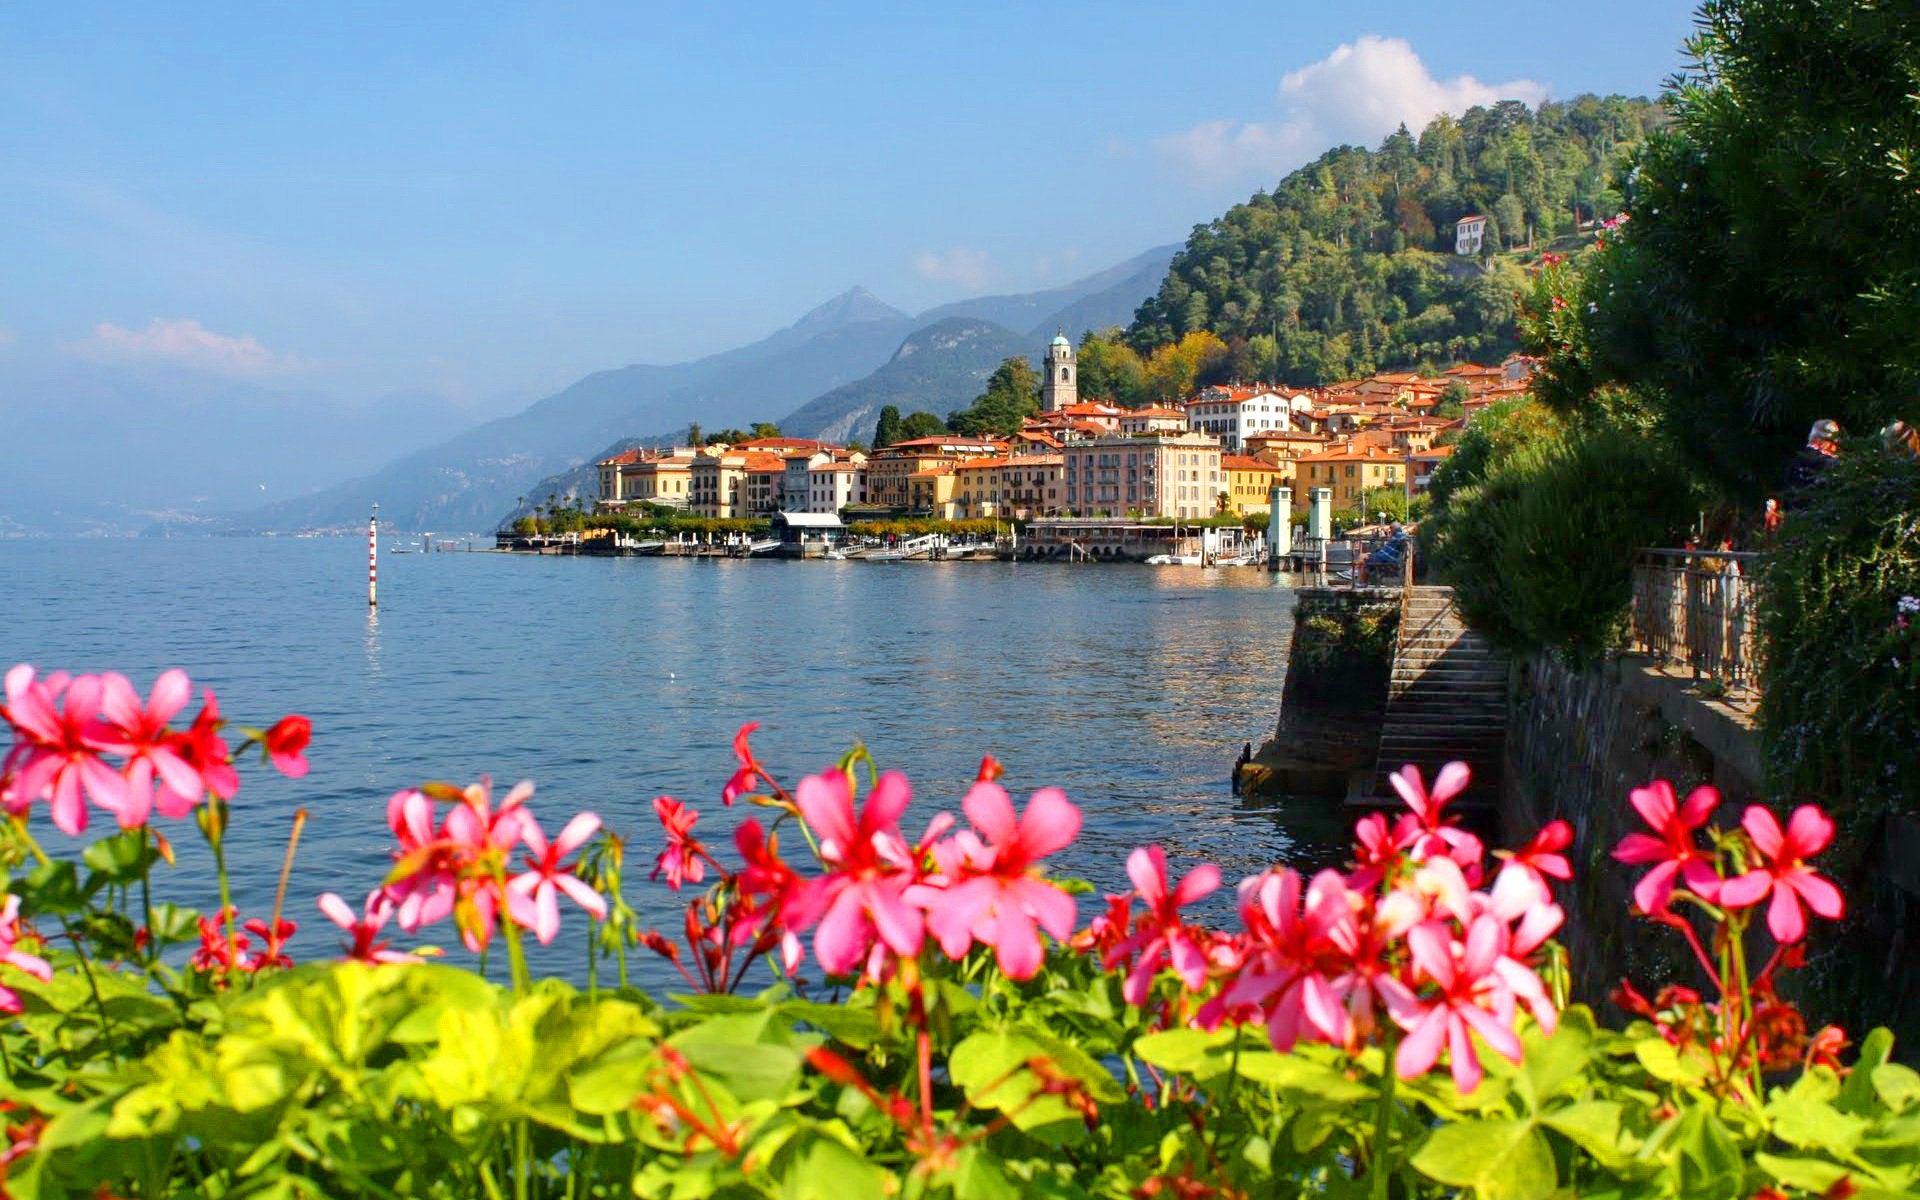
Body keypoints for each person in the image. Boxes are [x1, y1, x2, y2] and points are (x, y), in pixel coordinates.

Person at [1785, 418, 1842, 498]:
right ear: (1820, 439)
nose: (1836, 443)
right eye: (1832, 439)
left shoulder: (1797, 458)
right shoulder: (1828, 462)